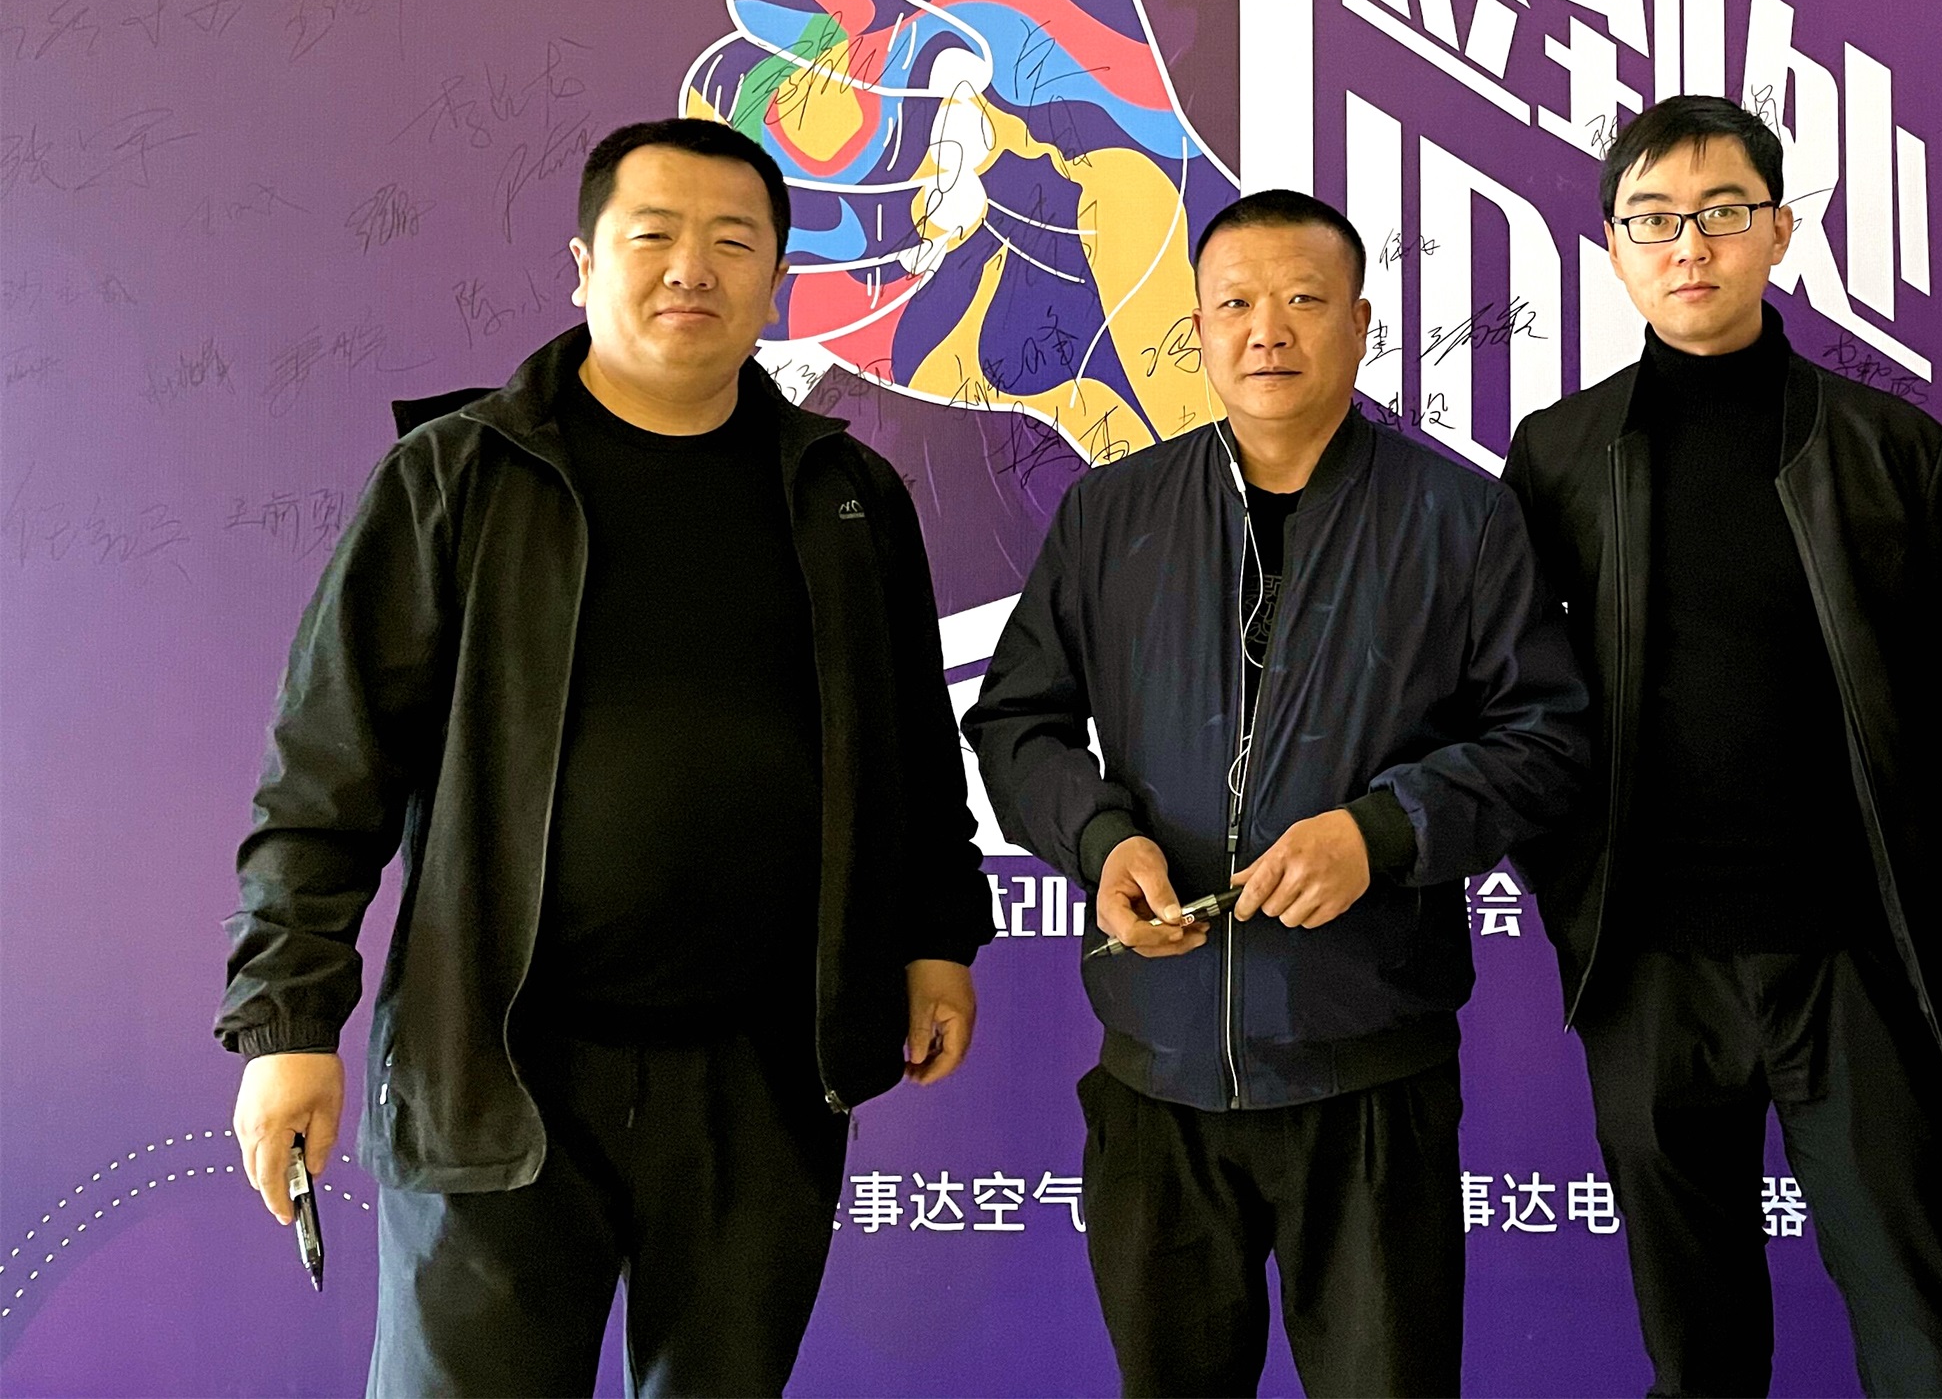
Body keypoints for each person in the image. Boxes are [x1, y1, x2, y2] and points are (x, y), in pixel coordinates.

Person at [218, 117, 994, 1399]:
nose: (692, 267)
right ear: (584, 265)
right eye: (654, 234)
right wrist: (289, 1023)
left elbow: (912, 746)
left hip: (761, 1072)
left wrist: (934, 936)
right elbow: (325, 770)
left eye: (732, 241)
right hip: (501, 1065)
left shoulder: (843, 493)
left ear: (775, 280)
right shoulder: (457, 478)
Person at [966, 187, 1590, 1399]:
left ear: (1359, 324)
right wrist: (1099, 841)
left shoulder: (1459, 516)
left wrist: (1381, 831)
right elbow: (1015, 724)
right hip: (1155, 1078)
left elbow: (1546, 736)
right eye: (1236, 304)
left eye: (1304, 300)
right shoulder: (1110, 514)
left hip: (1369, 1078)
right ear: (1196, 328)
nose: (1268, 330)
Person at [1501, 95, 1942, 1399]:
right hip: (1646, 962)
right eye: (1652, 220)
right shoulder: (1557, 455)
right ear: (1612, 248)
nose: (1688, 246)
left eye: (1719, 212)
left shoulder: (1892, 449)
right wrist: (1573, 886)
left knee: (1926, 1337)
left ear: (1778, 229)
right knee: (1696, 1351)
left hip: (1856, 957)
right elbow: (1510, 702)